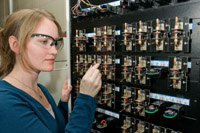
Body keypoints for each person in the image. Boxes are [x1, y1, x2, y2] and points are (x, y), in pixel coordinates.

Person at [0, 9, 102, 133]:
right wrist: (86, 98)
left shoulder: (41, 90)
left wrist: (63, 103)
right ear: (15, 44)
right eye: (44, 41)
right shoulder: (5, 101)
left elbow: (55, 128)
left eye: (54, 43)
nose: (54, 51)